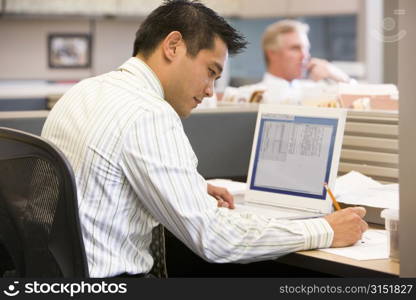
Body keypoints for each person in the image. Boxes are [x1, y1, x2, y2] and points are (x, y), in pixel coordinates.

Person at [42, 0, 367, 278]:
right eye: (210, 71)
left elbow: (101, 176)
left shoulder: (86, 90)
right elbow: (213, 238)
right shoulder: (149, 113)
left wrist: (191, 187)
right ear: (173, 46)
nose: (211, 89)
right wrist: (324, 229)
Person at [222, 19, 352, 105]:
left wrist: (338, 76)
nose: (305, 56)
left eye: (307, 49)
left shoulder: (318, 90)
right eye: (295, 48)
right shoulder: (249, 96)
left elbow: (360, 102)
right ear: (272, 53)